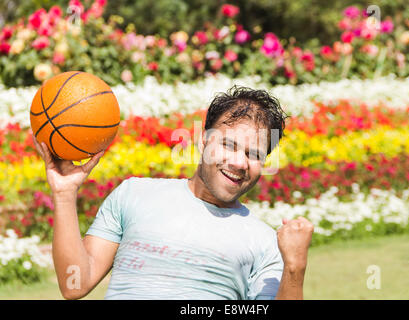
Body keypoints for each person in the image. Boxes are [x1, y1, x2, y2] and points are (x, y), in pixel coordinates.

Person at [33, 86, 314, 300]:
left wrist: (294, 267)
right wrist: (64, 194)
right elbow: (74, 285)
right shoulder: (134, 194)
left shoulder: (266, 242)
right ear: (204, 141)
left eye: (253, 154)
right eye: (228, 145)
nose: (239, 163)